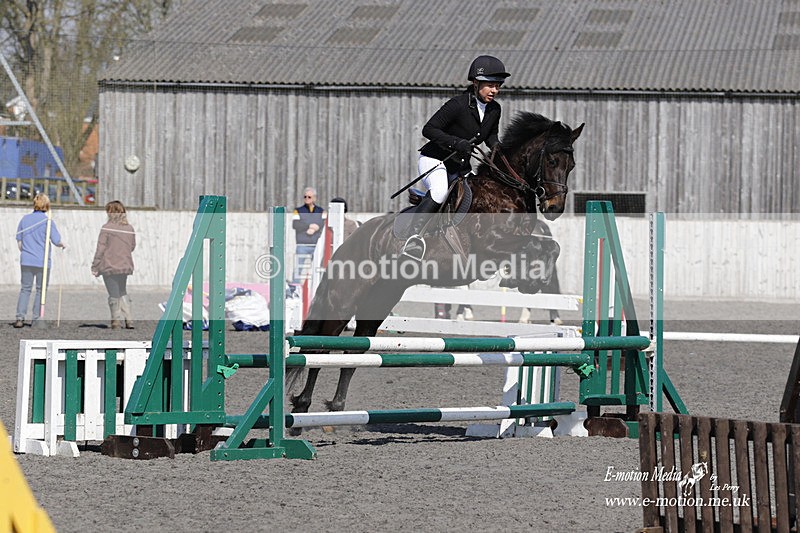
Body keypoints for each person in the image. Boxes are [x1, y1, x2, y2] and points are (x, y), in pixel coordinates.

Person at [403, 55, 510, 259]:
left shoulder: (495, 109)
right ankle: (413, 239)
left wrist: (501, 152)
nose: (494, 91)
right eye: (490, 85)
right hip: (435, 160)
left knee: (479, 193)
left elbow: (491, 137)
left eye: (498, 86)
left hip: (460, 166)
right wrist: (455, 142)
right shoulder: (457, 105)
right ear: (475, 82)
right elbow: (429, 129)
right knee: (440, 191)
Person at [14, 194, 66, 328]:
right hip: (42, 262)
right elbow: (56, 240)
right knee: (40, 290)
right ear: (46, 205)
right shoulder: (48, 221)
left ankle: (20, 317)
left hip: (26, 260)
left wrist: (27, 252)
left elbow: (20, 243)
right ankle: (36, 318)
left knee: (25, 289)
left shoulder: (24, 220)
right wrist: (63, 245)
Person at [91, 200, 136, 329]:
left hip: (109, 265)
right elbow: (132, 247)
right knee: (122, 291)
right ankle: (129, 320)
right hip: (125, 264)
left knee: (113, 293)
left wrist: (95, 266)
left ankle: (116, 321)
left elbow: (100, 249)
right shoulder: (129, 228)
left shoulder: (106, 228)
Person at [292, 187, 325, 282]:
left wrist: (316, 228)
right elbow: (295, 224)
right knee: (298, 268)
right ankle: (295, 287)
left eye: (309, 197)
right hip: (302, 244)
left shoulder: (321, 211)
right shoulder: (297, 210)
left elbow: (323, 224)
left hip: (316, 244)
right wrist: (309, 226)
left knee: (317, 268)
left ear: (314, 198)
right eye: (305, 196)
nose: (307, 198)